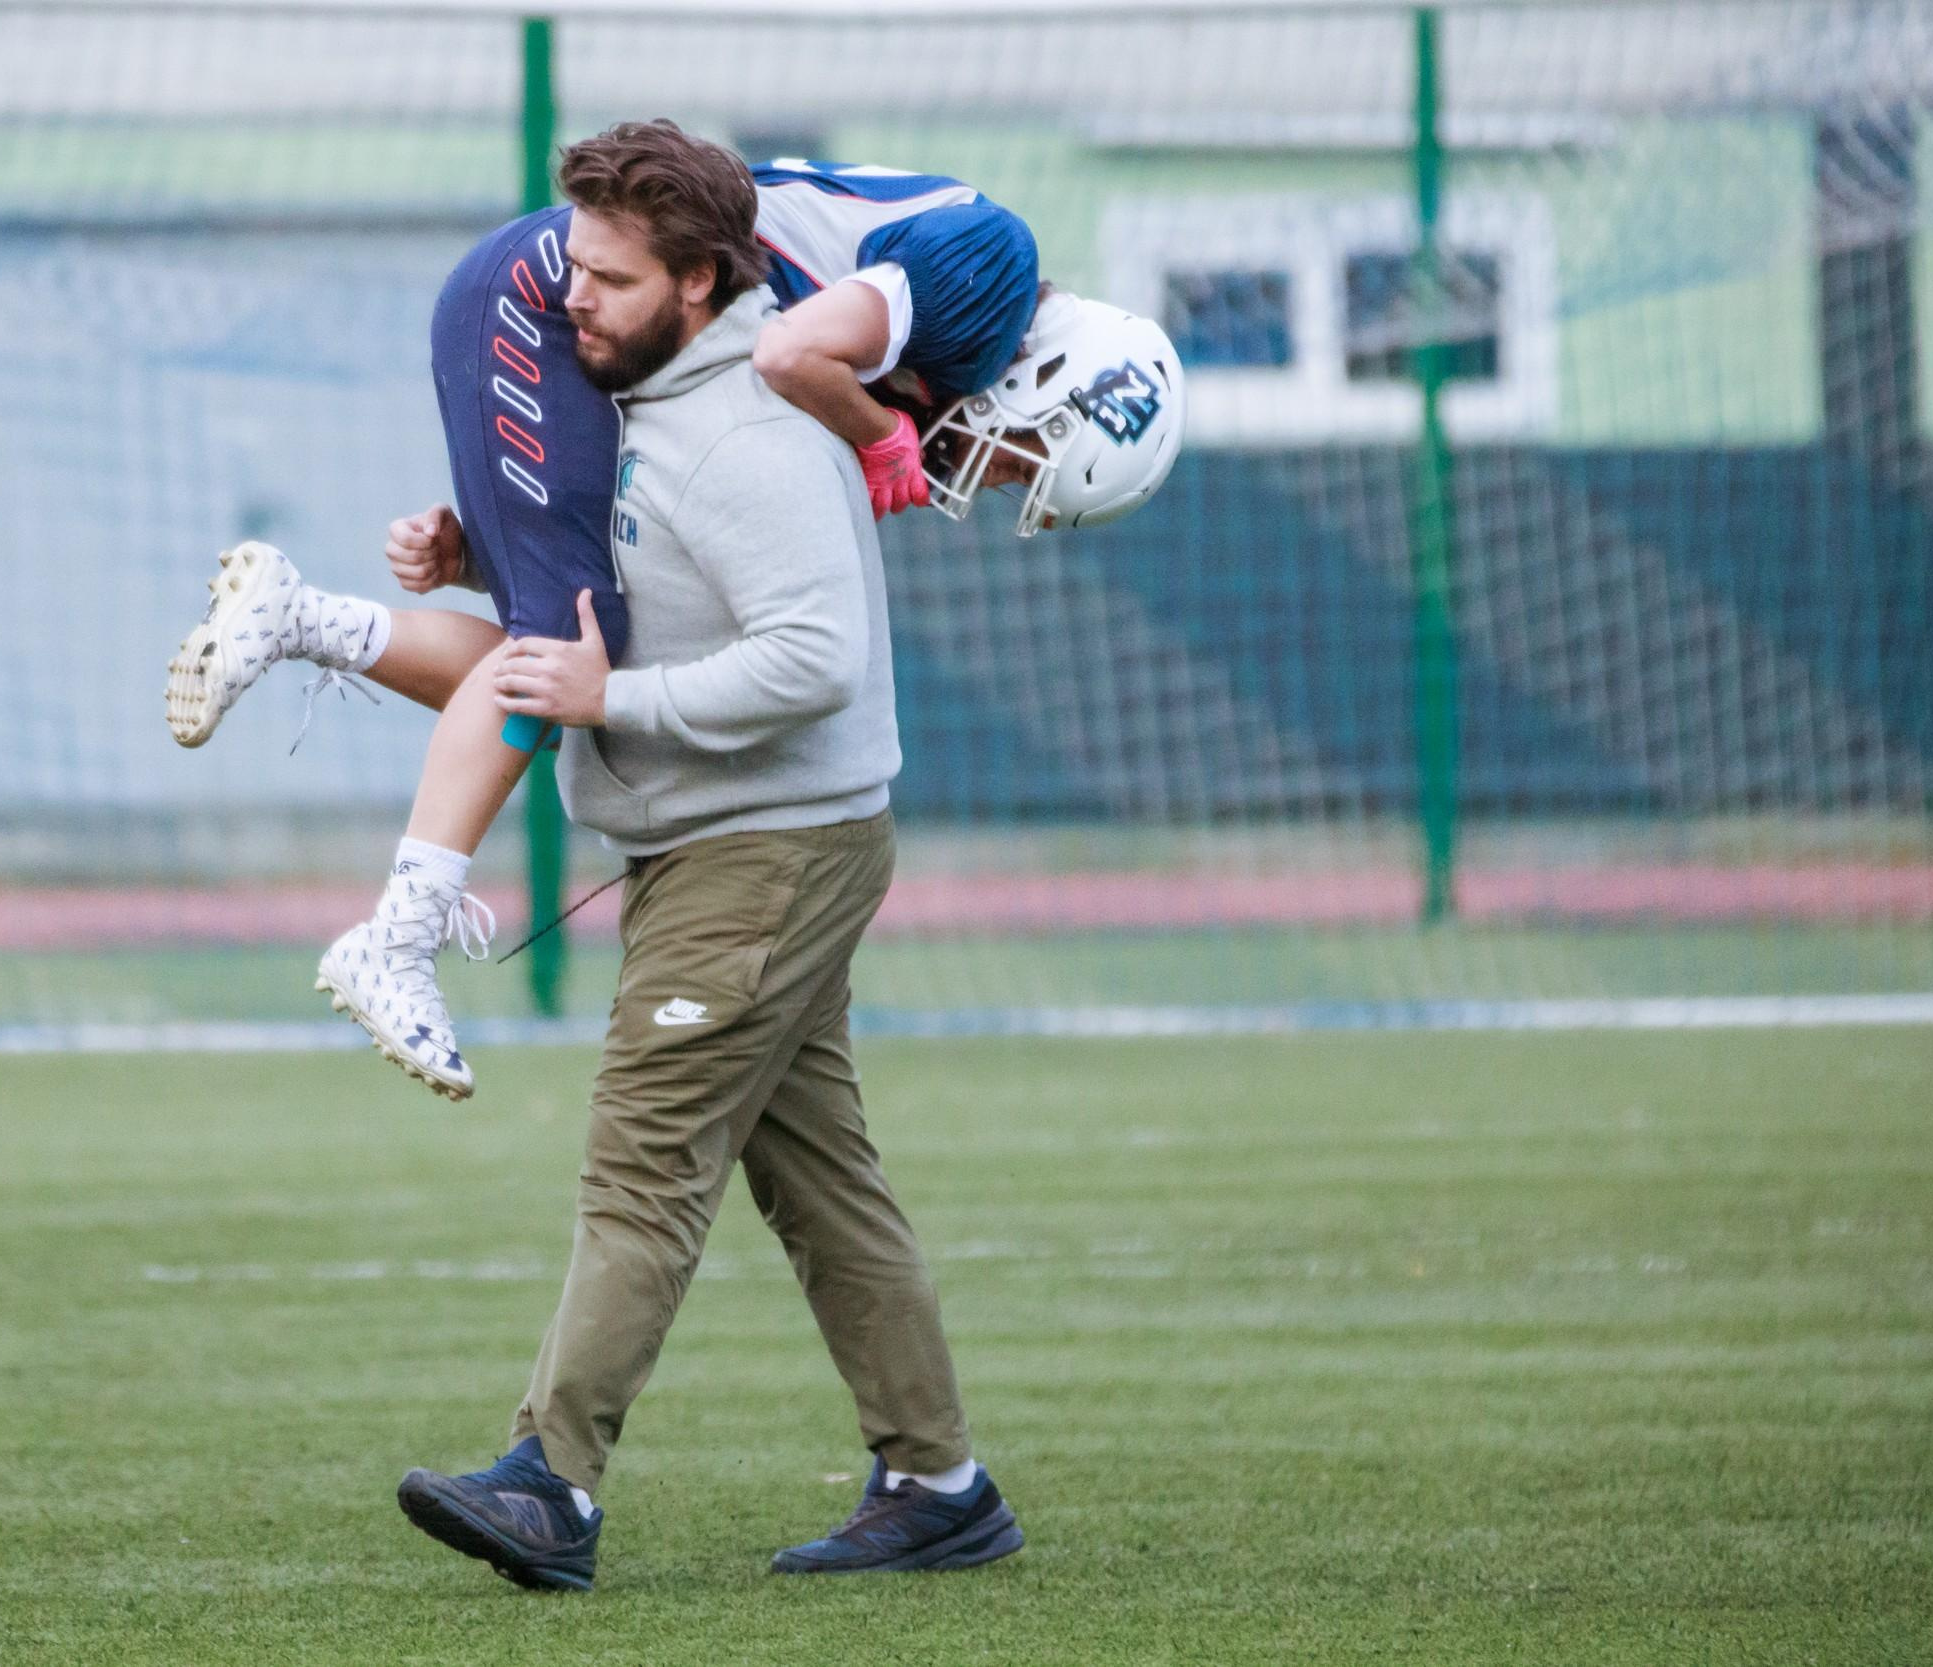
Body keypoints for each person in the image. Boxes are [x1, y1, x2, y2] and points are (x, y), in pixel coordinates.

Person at [162, 124, 1184, 1100]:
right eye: (1022, 459)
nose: (995, 476)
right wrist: (883, 440)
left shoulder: (950, 325)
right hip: (559, 295)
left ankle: (302, 621)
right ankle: (397, 931)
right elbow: (788, 353)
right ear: (1051, 382)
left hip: (581, 301)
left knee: (585, 647)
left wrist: (489, 555)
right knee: (566, 647)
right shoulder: (992, 267)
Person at [382, 121, 1019, 1592]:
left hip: (769, 848)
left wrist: (616, 703)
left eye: (609, 277)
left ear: (698, 281)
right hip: (727, 844)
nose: (569, 297)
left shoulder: (745, 426)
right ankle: (940, 1480)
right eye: (572, 264)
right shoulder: (647, 390)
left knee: (645, 1157)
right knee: (823, 1180)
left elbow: (815, 653)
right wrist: (475, 558)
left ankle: (551, 1481)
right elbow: (654, 562)